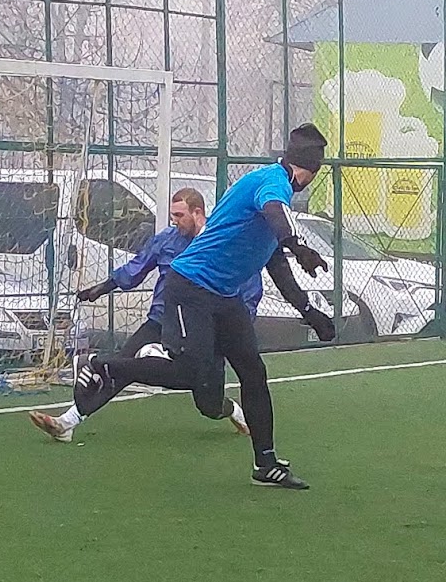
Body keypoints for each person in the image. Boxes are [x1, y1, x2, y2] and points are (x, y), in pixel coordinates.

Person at [160, 123, 335, 490]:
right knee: (193, 371)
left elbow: (277, 266)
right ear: (303, 169)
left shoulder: (275, 190)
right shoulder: (273, 183)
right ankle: (110, 369)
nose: (309, 179)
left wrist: (310, 313)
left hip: (224, 296)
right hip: (190, 287)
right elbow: (276, 211)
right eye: (312, 172)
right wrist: (298, 244)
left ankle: (265, 463)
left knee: (253, 373)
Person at [28, 188, 261, 442]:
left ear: (198, 213)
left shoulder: (222, 244)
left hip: (205, 330)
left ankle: (233, 410)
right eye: (173, 215)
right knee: (121, 367)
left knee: (208, 403)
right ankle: (67, 422)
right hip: (161, 320)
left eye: (180, 215)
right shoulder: (166, 240)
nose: (175, 221)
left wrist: (233, 331)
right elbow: (135, 269)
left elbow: (249, 292)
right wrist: (101, 288)